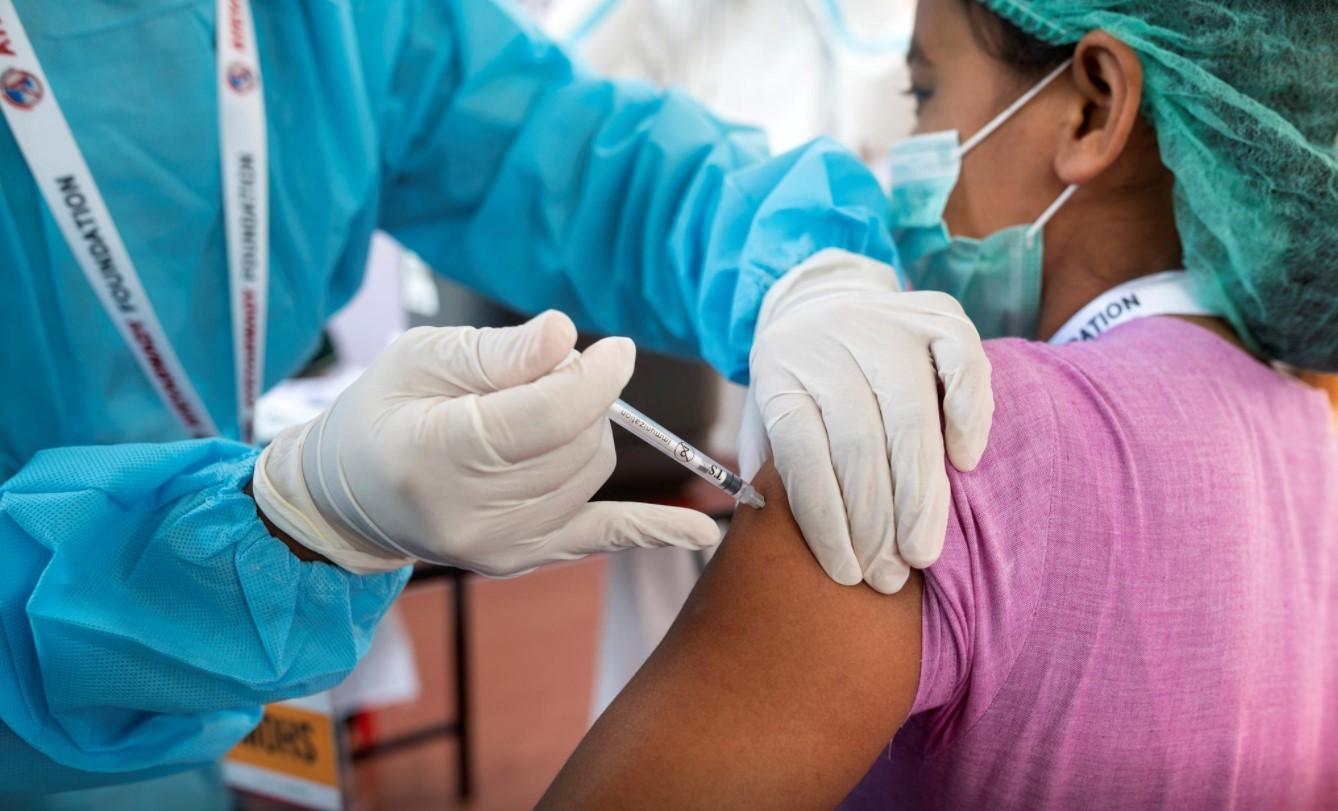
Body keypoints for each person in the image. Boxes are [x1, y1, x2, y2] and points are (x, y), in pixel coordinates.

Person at [0, 0, 1003, 795]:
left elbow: (587, 160)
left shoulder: (332, 25)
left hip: (166, 708)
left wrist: (800, 263)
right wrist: (285, 519)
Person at [540, 0, 1338, 807]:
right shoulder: (1312, 435)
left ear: (1092, 107)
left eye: (922, 94)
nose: (898, 168)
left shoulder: (935, 438)